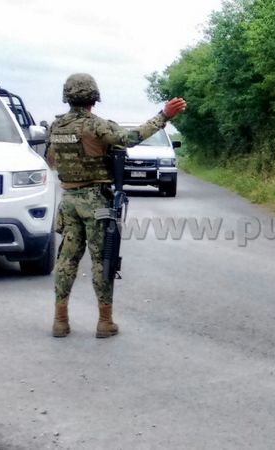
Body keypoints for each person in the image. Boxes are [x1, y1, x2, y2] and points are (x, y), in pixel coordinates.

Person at [46, 73, 186, 338]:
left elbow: (51, 160)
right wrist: (163, 115)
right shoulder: (96, 126)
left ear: (68, 96)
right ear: (94, 98)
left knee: (66, 260)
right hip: (96, 200)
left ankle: (60, 321)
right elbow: (131, 137)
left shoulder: (56, 127)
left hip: (69, 201)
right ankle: (104, 322)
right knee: (102, 260)